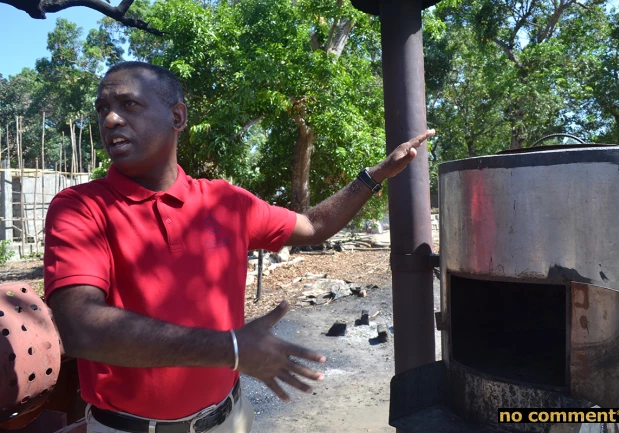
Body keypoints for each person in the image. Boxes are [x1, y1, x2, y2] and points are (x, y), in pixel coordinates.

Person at [43, 61, 435, 433]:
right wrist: (230, 347)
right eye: (103, 109)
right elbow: (80, 327)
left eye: (128, 104)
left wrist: (373, 176)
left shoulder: (225, 202)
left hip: (229, 419)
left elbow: (313, 225)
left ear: (177, 118)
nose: (110, 119)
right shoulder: (81, 207)